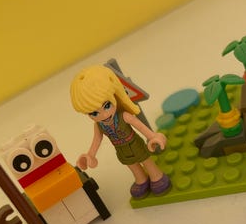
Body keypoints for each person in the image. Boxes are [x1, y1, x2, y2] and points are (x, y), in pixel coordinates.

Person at [70, 65, 171, 199]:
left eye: (107, 106)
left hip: (134, 144)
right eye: (94, 113)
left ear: (114, 97)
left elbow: (140, 127)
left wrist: (152, 136)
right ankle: (141, 179)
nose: (103, 115)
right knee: (131, 165)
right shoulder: (98, 125)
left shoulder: (124, 116)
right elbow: (96, 140)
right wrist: (90, 155)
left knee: (146, 160)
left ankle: (157, 176)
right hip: (120, 149)